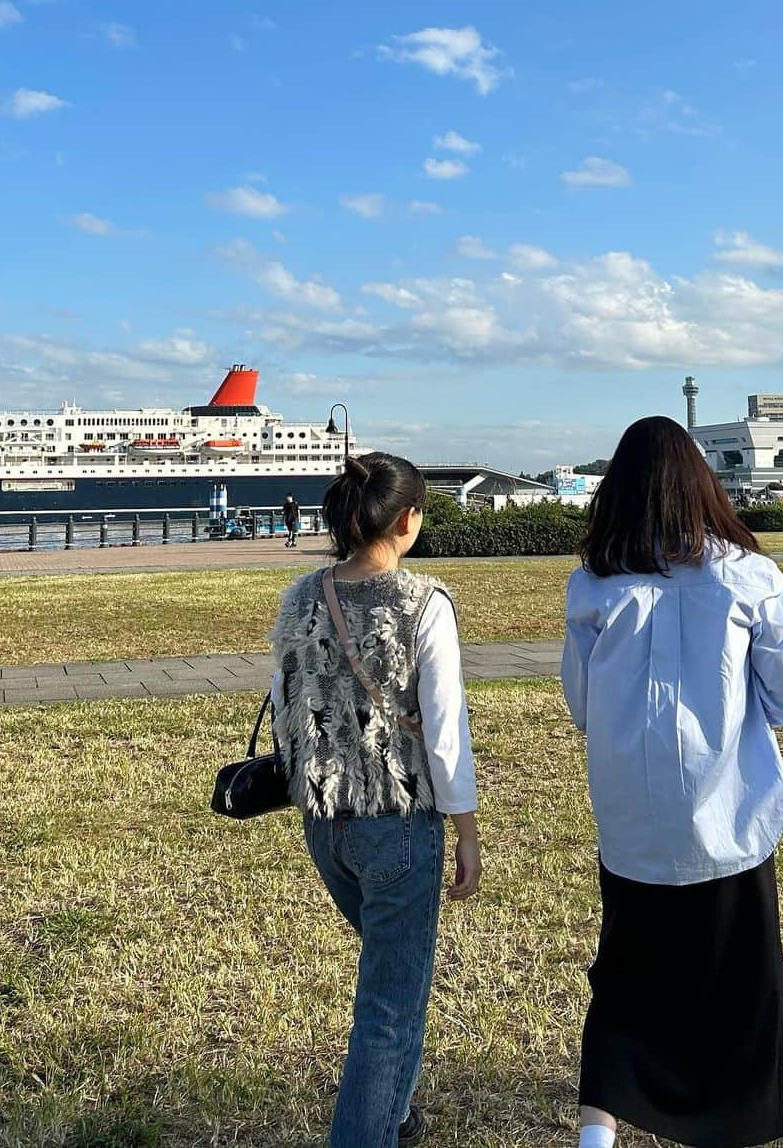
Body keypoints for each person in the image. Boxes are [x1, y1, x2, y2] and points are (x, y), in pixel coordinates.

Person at [561, 416, 783, 1148]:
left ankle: (596, 1132)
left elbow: (581, 705)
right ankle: (732, 1123)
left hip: (633, 822)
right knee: (738, 990)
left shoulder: (593, 586)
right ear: (702, 483)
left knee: (625, 979)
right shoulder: (749, 577)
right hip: (729, 816)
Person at [270, 452, 481, 1148]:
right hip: (398, 820)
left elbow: (287, 702)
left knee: (400, 974)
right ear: (409, 518)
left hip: (324, 821)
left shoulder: (301, 595)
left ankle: (395, 1113)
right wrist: (467, 829)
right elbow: (445, 728)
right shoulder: (424, 602)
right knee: (389, 1004)